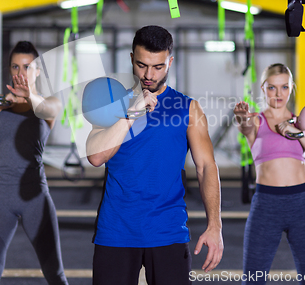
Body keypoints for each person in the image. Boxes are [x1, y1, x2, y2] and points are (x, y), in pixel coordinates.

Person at [85, 25, 223, 285]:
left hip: (168, 230)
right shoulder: (112, 102)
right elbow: (96, 156)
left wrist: (215, 225)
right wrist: (132, 113)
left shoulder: (188, 108)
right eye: (141, 65)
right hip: (116, 230)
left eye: (158, 67)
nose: (149, 74)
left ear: (170, 61)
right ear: (131, 59)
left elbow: (206, 167)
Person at [0, 41, 68, 285]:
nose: (20, 73)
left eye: (27, 67)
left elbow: (48, 109)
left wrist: (28, 95)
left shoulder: (48, 104)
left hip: (35, 200)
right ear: (10, 70)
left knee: (55, 275)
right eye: (15, 67)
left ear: (37, 71)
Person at [234, 63, 305, 285]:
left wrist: (297, 133)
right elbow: (244, 126)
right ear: (263, 88)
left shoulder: (303, 123)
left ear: (291, 88)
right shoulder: (256, 121)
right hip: (266, 205)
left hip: (303, 206)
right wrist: (241, 117)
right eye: (272, 88)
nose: (278, 94)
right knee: (253, 280)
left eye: (284, 87)